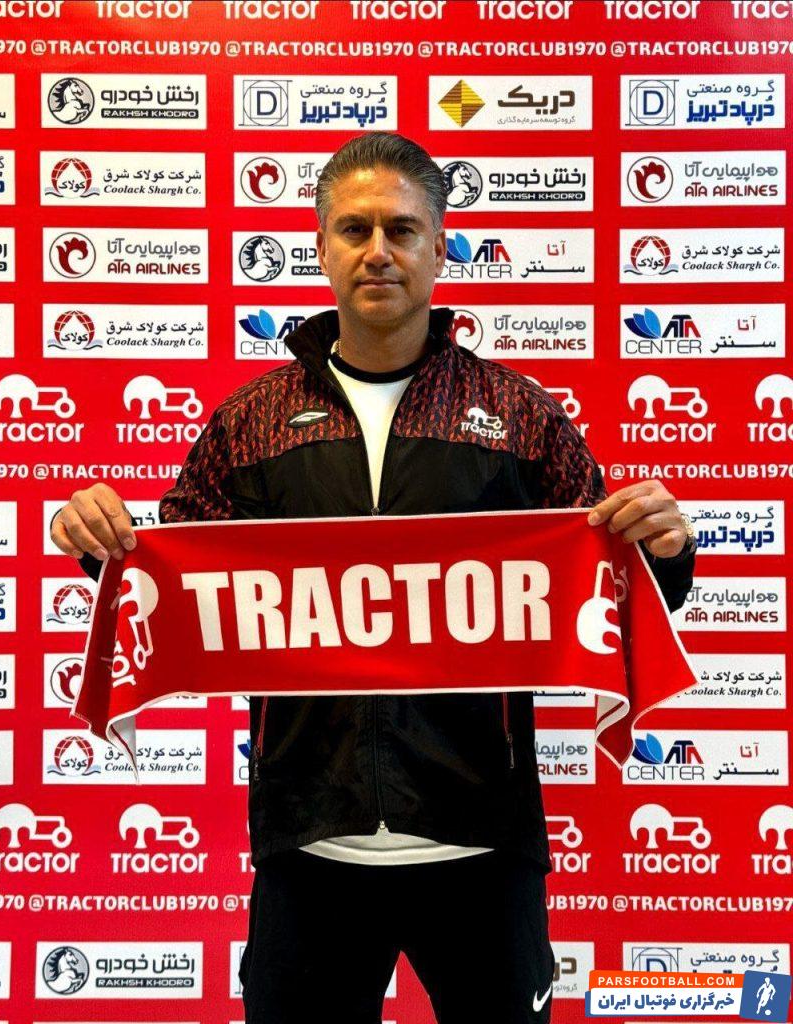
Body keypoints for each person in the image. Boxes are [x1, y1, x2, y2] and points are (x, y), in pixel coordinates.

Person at [50, 132, 697, 1024]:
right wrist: (97, 540)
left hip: (482, 842)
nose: (378, 251)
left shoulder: (519, 415)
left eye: (402, 229)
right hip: (310, 842)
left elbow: (624, 592)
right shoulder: (253, 421)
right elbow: (165, 577)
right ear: (322, 248)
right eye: (355, 230)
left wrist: (665, 548)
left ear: (440, 246)